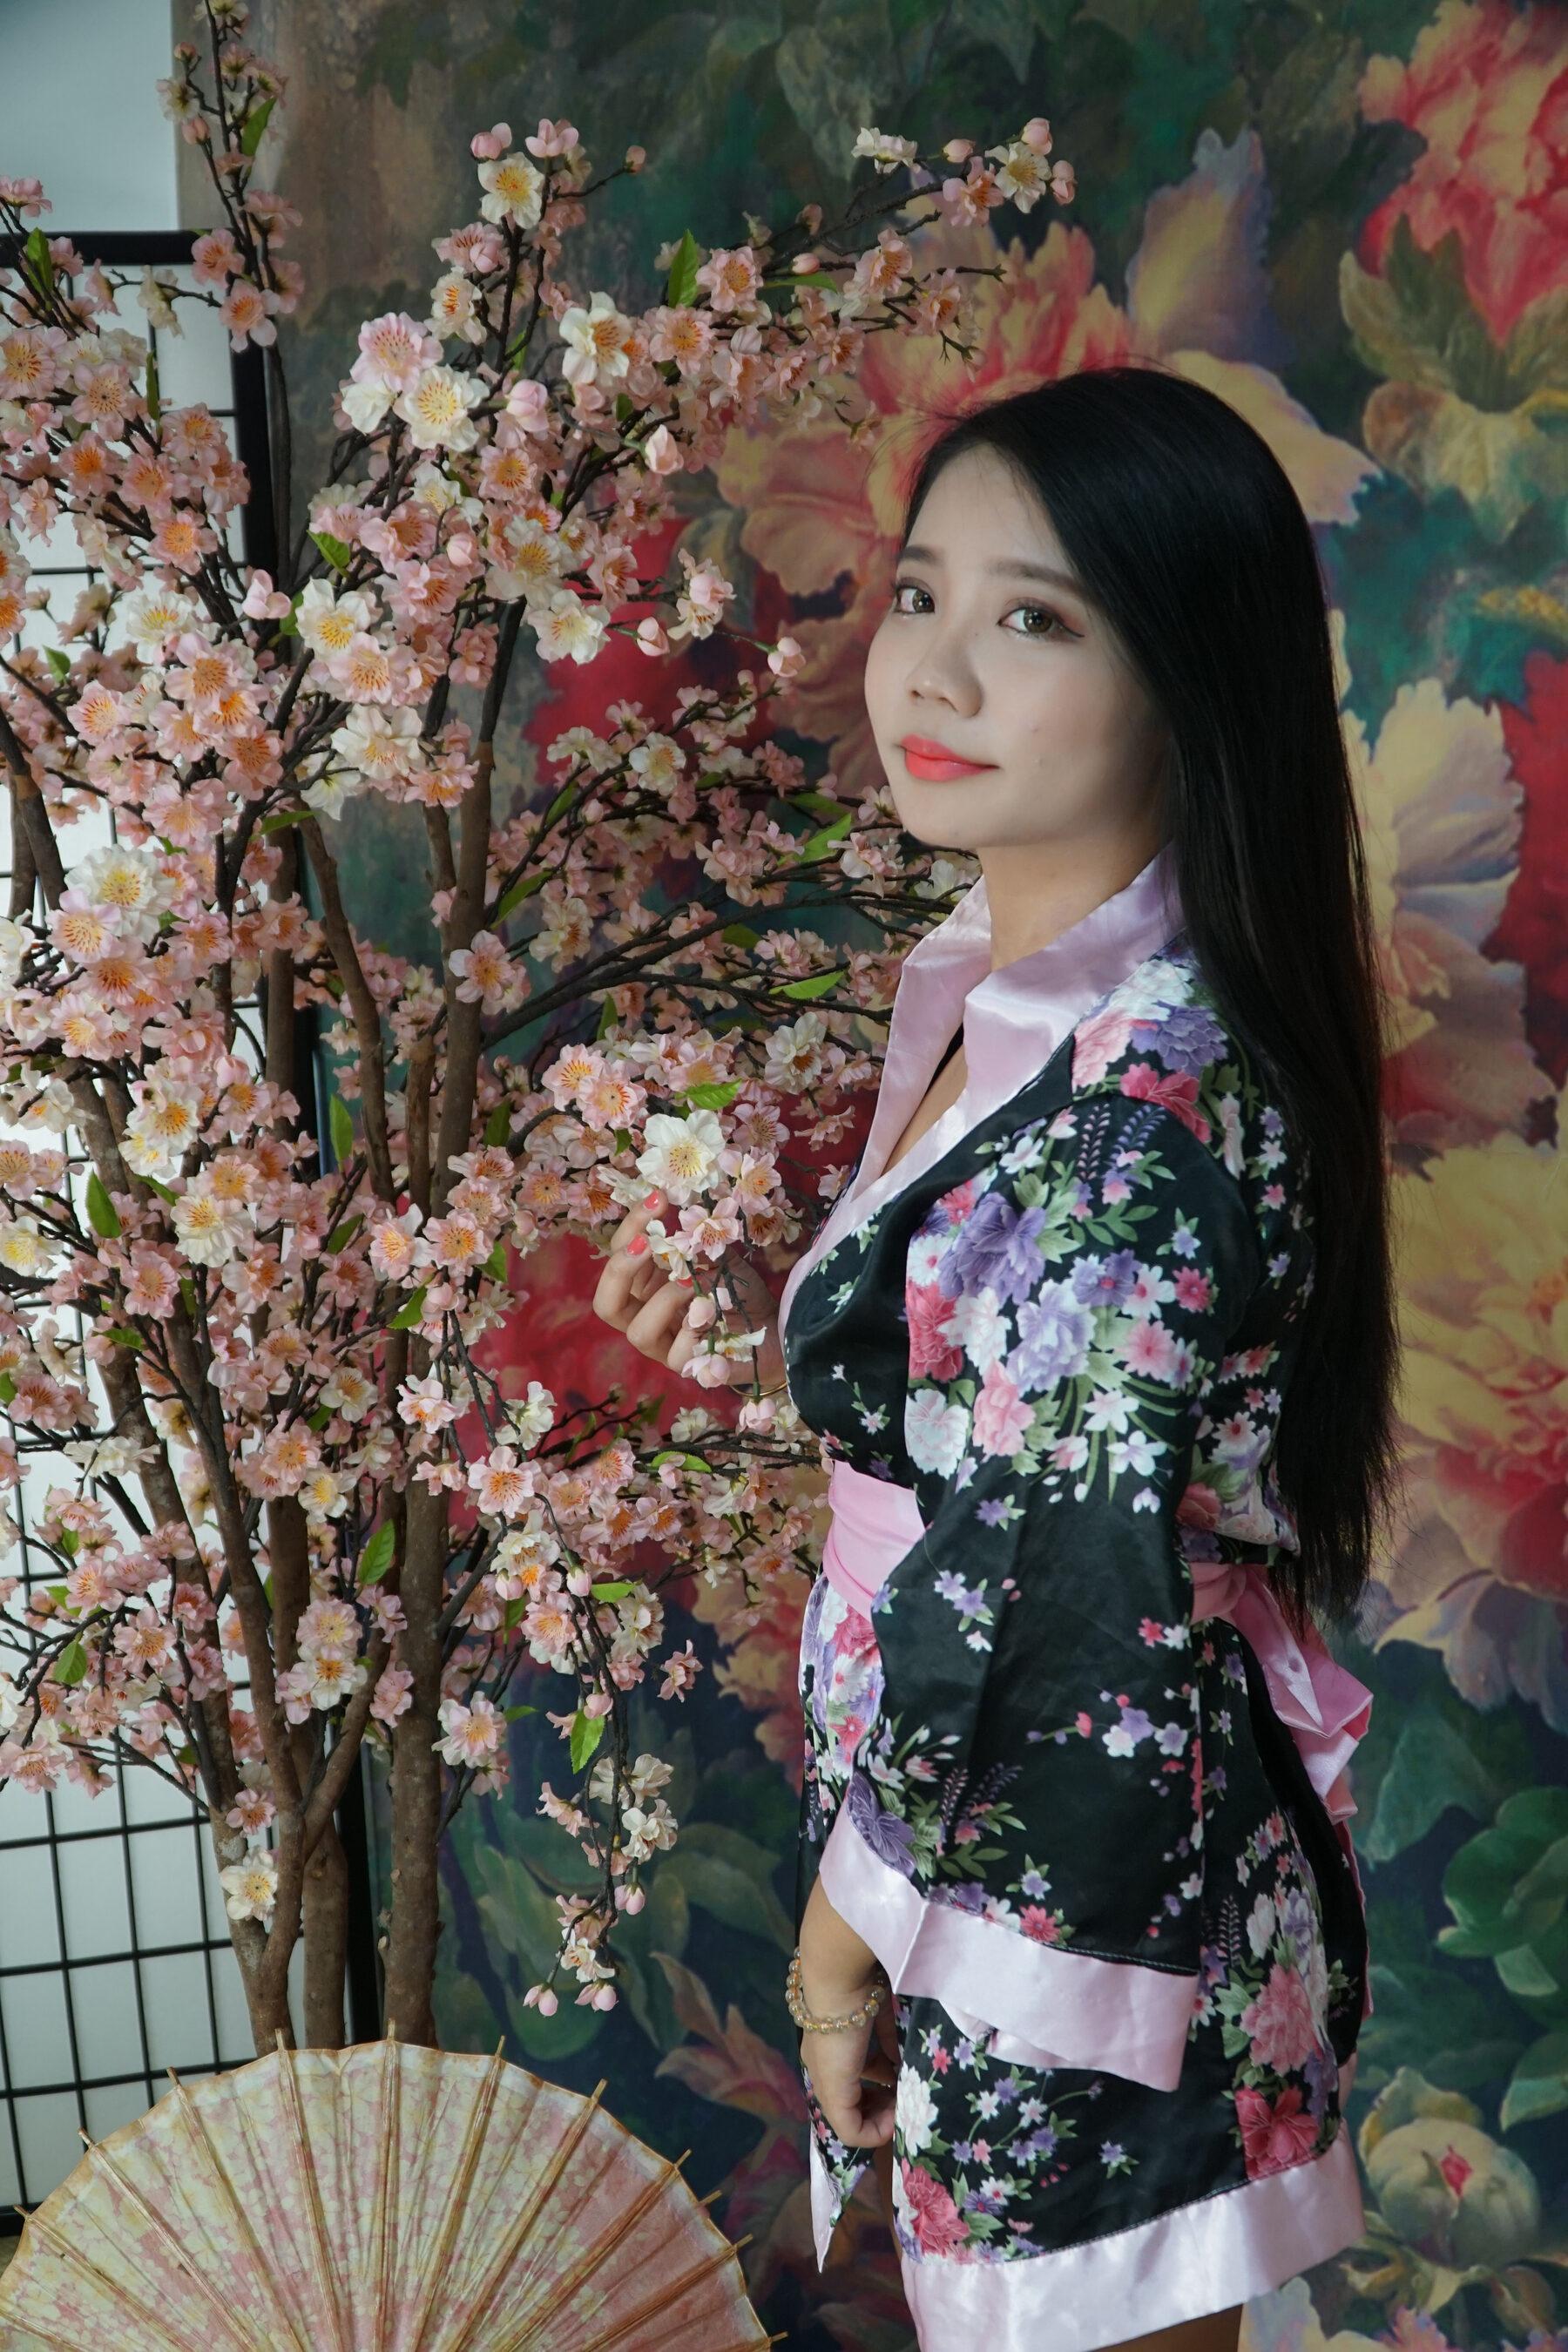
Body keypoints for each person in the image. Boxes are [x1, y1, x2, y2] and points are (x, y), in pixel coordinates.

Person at [592, 362, 1404, 2352]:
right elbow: (1003, 1421)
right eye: (922, 594)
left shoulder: (1151, 1096)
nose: (932, 672)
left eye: (1033, 618)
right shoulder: (999, 990)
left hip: (1073, 1874)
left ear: (1187, 677)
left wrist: (838, 1932)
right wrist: (792, 1332)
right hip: (994, 1840)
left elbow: (1057, 1574)